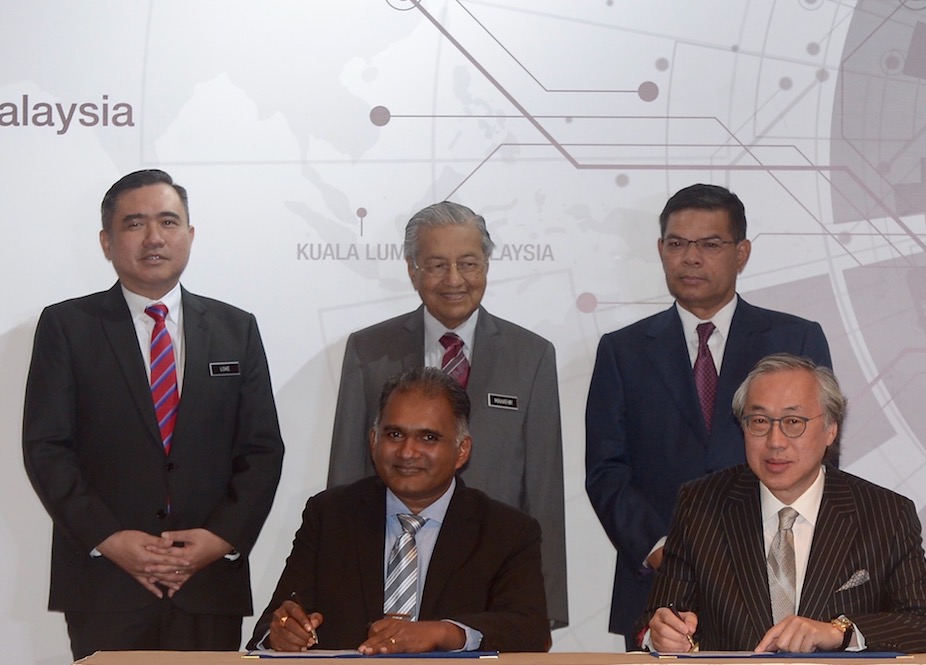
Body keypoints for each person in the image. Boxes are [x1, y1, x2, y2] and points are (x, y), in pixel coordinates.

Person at [22, 169, 285, 660]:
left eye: (168, 221)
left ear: (190, 234)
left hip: (208, 586)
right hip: (106, 585)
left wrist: (219, 539)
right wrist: (110, 539)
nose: (154, 237)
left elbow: (263, 449)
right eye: (135, 223)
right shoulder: (67, 326)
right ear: (106, 241)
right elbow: (46, 448)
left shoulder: (236, 329)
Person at [585, 183, 833, 640]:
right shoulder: (622, 351)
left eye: (710, 244)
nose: (690, 258)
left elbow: (817, 457)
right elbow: (606, 472)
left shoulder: (795, 340)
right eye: (677, 244)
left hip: (776, 582)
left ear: (742, 253)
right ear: (661, 250)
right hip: (660, 595)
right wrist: (663, 551)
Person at [327, 201, 567, 628]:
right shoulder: (368, 351)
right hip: (390, 579)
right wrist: (335, 590)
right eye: (436, 265)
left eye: (468, 263)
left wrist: (541, 608)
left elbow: (544, 494)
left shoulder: (531, 356)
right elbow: (345, 480)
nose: (454, 280)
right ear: (412, 269)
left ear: (487, 266)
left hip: (492, 585)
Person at [642, 353, 926, 654]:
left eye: (793, 421)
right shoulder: (700, 506)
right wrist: (663, 637)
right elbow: (657, 621)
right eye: (760, 421)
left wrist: (839, 631)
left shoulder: (885, 514)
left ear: (831, 429)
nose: (776, 441)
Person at [250, 367, 550, 653]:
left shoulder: (507, 530)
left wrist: (443, 633)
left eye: (428, 437)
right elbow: (275, 622)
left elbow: (530, 631)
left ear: (462, 450)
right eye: (394, 434)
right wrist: (280, 634)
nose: (407, 452)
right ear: (373, 440)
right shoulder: (330, 515)